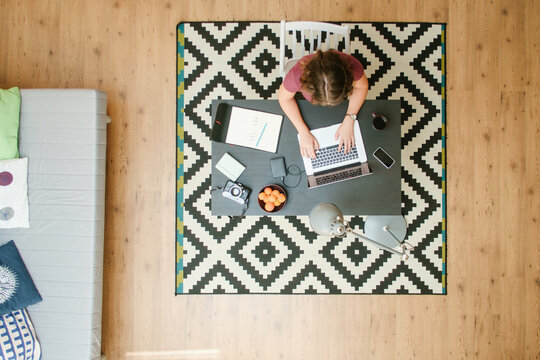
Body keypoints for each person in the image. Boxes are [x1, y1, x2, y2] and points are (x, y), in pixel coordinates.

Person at [277, 49, 368, 159]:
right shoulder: (297, 76)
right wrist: (303, 132)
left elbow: (362, 87)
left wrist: (350, 118)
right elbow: (284, 99)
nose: (327, 104)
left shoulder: (353, 66)